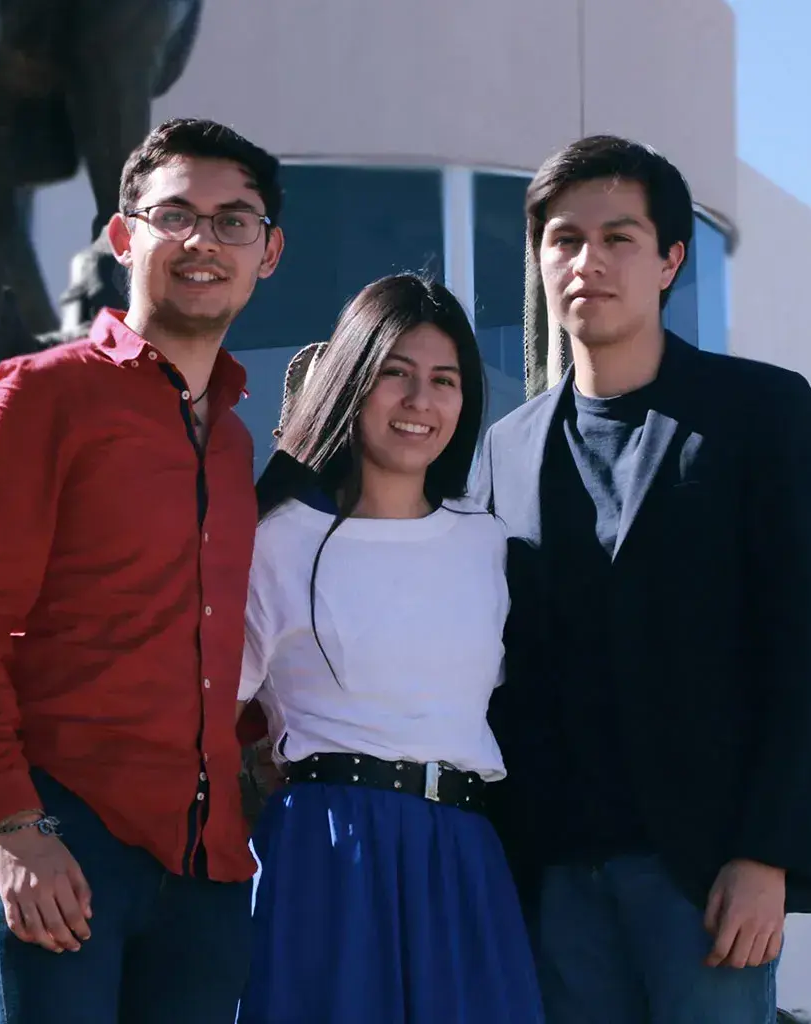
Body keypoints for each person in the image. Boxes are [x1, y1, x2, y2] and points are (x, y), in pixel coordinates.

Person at [470, 135, 811, 1022]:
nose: (588, 262)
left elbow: (805, 651)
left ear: (670, 260)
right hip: (553, 875)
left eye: (619, 238)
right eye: (564, 240)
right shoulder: (507, 447)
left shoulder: (762, 413)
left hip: (706, 872)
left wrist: (770, 855)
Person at [0, 117, 286, 1024]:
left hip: (207, 868)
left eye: (235, 221)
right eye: (176, 215)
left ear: (269, 253)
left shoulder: (232, 442)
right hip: (62, 841)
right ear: (123, 236)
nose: (204, 240)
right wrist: (14, 824)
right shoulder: (39, 395)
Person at [237, 274, 546, 1024]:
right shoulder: (275, 542)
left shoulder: (491, 545)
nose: (420, 402)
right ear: (351, 383)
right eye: (395, 375)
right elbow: (201, 715)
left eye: (444, 381)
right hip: (325, 853)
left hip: (465, 859)